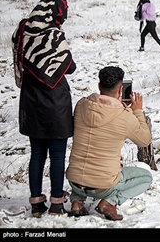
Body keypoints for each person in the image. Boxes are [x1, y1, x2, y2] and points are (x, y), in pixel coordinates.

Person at [11, 0, 76, 217]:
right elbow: (70, 66)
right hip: (55, 103)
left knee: (36, 153)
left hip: (30, 103)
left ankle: (37, 203)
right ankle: (57, 202)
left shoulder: (22, 32)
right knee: (57, 156)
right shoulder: (54, 35)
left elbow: (19, 61)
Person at [66, 66, 153, 221]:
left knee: (84, 166)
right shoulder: (124, 116)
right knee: (146, 178)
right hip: (102, 186)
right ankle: (109, 202)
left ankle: (77, 202)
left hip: (74, 179)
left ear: (99, 86)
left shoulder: (81, 105)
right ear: (121, 90)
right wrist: (137, 111)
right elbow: (144, 139)